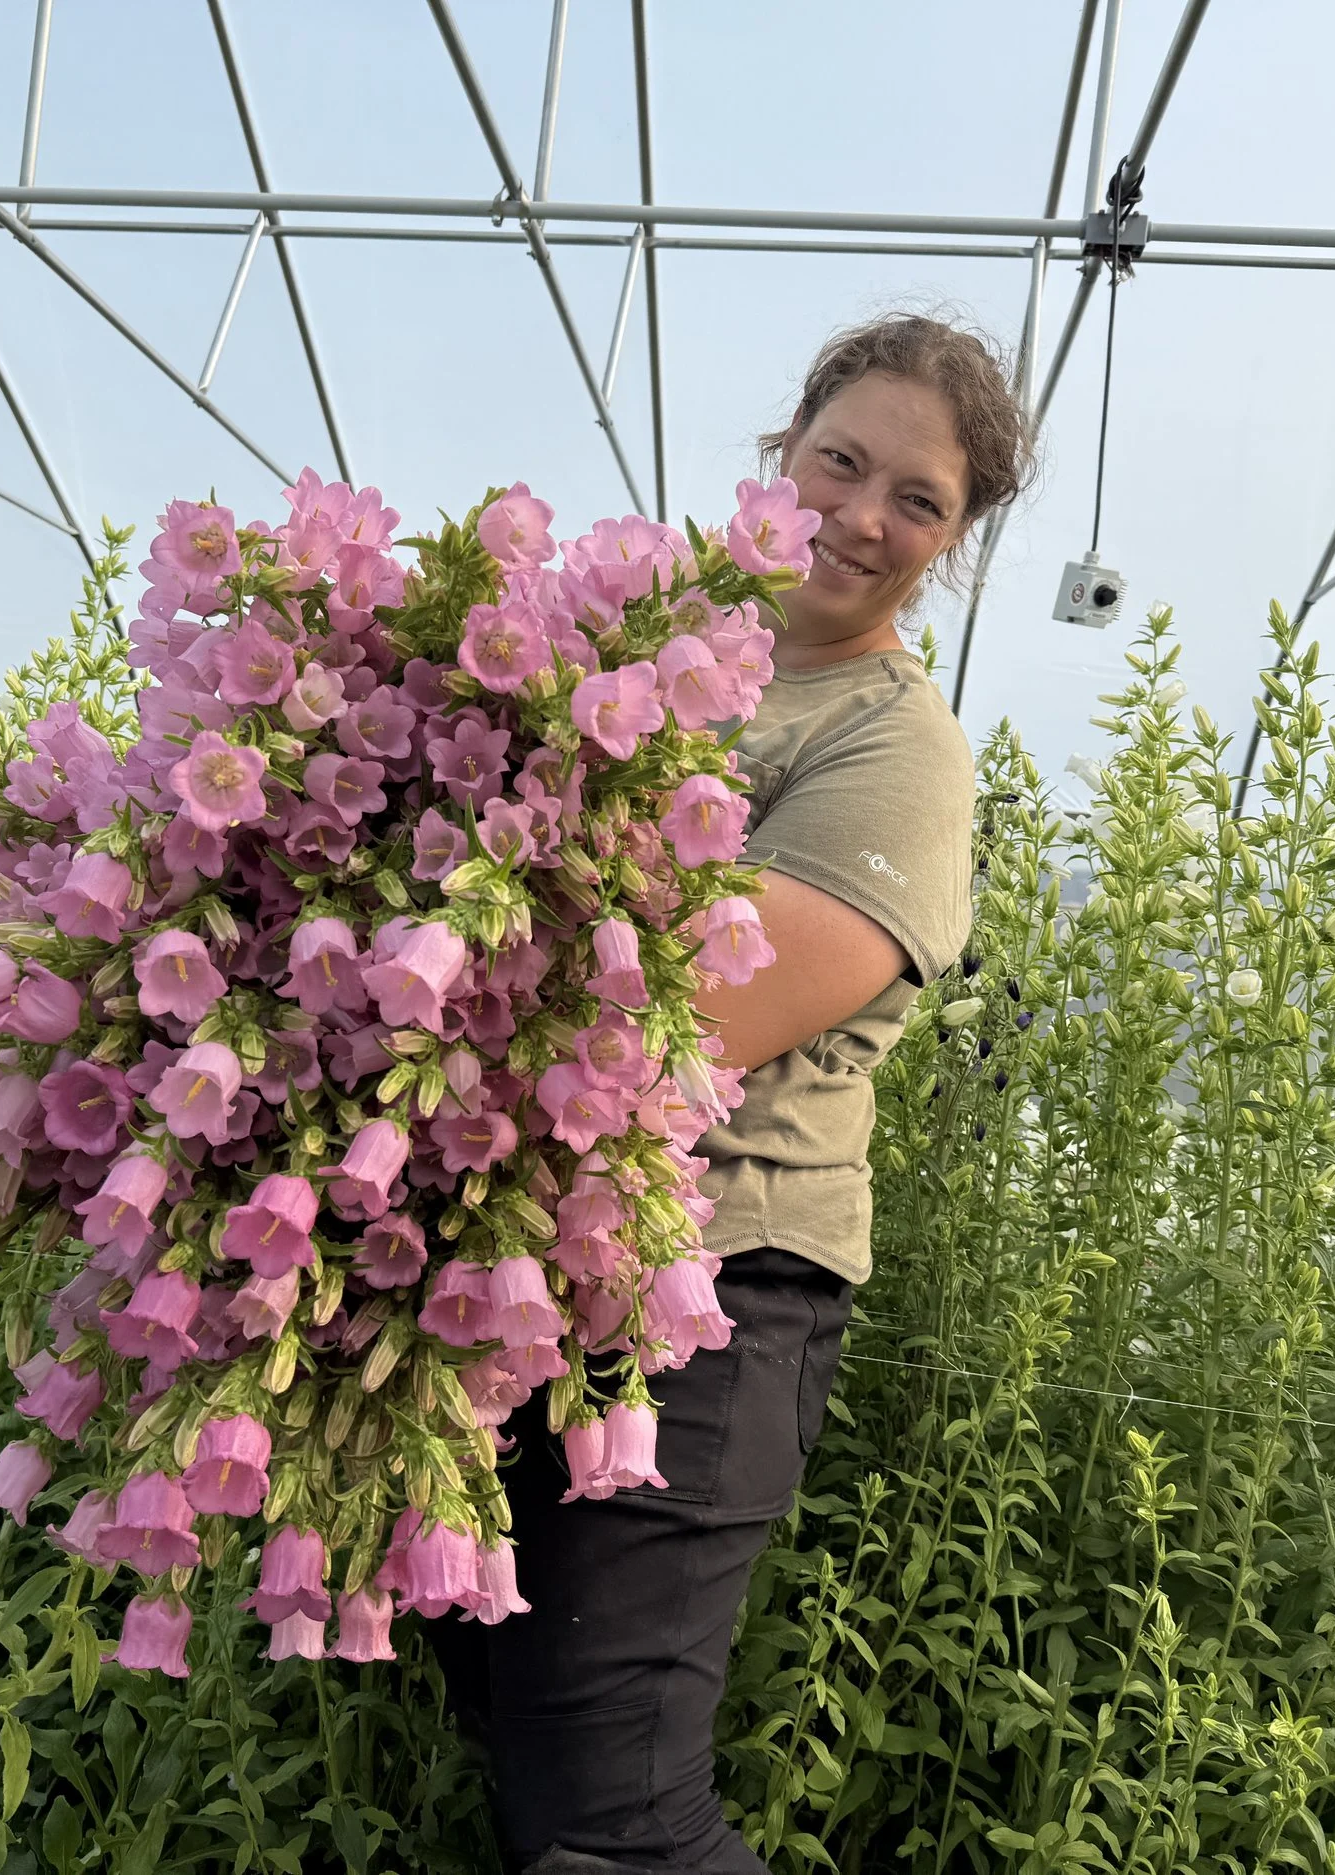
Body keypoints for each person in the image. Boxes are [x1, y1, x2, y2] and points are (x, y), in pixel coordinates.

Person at [429, 312, 1035, 1873]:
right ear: (785, 453)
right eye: (843, 459)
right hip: (524, 1280)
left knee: (616, 1818)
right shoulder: (661, 658)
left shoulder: (894, 746)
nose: (863, 514)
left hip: (708, 1303)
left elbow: (696, 1017)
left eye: (921, 499)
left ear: (954, 543)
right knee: (523, 1746)